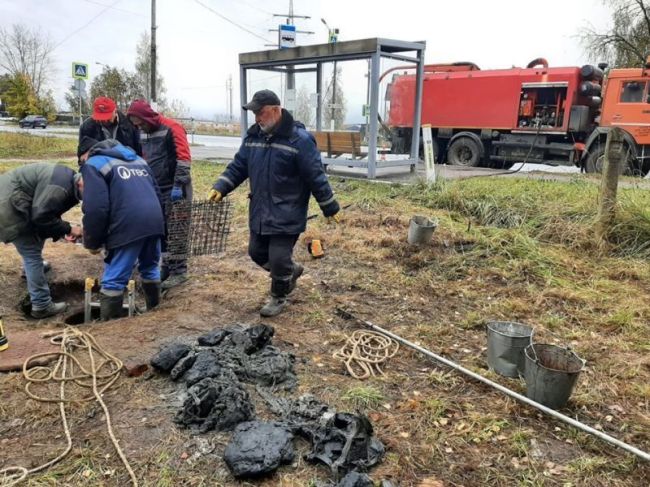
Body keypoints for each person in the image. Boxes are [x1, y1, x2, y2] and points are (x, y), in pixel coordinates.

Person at [208, 89, 340, 317]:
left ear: (276, 110)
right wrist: (221, 186)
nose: (257, 118)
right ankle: (290, 272)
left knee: (278, 258)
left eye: (260, 112)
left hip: (288, 211)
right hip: (260, 209)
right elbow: (239, 166)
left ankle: (279, 295)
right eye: (254, 113)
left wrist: (329, 206)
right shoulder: (253, 138)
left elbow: (315, 175)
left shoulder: (299, 140)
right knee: (256, 252)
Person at [78, 137, 165, 321]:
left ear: (85, 154)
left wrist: (93, 242)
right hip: (154, 221)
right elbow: (157, 193)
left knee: (114, 279)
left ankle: (111, 329)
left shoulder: (93, 164)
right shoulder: (139, 160)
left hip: (128, 224)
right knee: (150, 268)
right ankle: (155, 316)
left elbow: (96, 208)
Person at [0, 163, 83, 318]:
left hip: (13, 202)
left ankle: (30, 271)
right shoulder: (61, 187)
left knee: (34, 242)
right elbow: (41, 216)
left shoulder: (66, 180)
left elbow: (48, 208)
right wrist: (69, 229)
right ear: (81, 183)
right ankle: (42, 305)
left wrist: (61, 231)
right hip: (8, 209)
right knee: (31, 252)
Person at [126, 99, 192, 290]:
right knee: (161, 229)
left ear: (147, 117)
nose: (139, 127)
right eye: (135, 124)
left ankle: (180, 271)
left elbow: (184, 158)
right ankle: (167, 266)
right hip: (156, 187)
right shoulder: (143, 132)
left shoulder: (172, 127)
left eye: (140, 122)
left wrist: (178, 184)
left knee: (177, 228)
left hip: (176, 187)